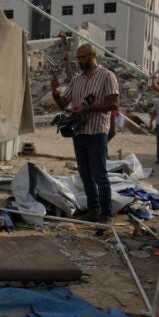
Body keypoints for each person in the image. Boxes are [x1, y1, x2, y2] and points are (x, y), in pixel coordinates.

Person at [51, 43, 120, 224]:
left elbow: (114, 104)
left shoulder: (107, 76)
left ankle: (106, 214)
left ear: (92, 56)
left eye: (82, 58)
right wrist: (55, 92)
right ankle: (93, 210)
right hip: (79, 133)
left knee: (100, 176)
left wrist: (88, 108)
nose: (79, 61)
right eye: (78, 58)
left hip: (97, 132)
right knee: (85, 175)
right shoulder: (77, 79)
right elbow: (64, 104)